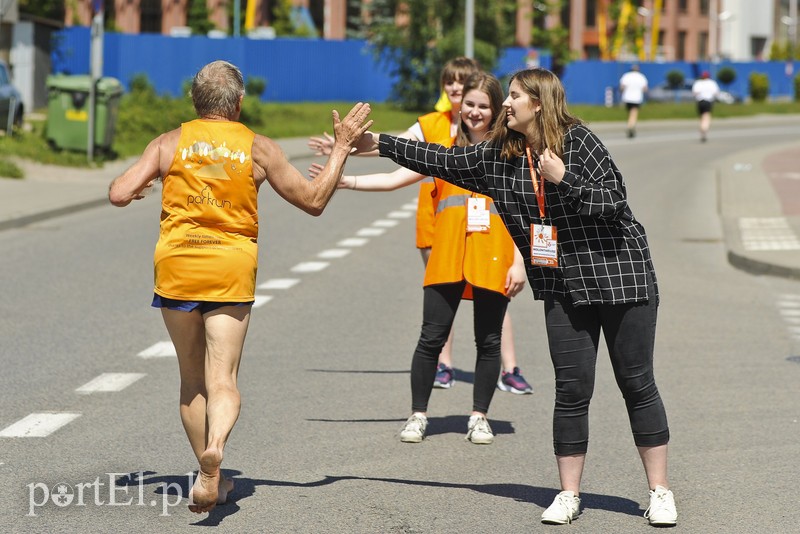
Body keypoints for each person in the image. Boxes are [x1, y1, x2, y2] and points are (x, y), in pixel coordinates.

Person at [357, 67, 677, 527]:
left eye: (513, 96)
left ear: (539, 103)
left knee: (636, 383)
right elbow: (440, 159)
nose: (505, 104)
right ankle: (568, 494)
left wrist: (563, 179)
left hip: (620, 278)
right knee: (571, 389)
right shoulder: (499, 156)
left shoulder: (579, 142)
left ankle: (660, 491)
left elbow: (614, 201)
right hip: (564, 285)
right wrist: (379, 143)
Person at [108, 60, 371, 514]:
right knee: (222, 378)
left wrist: (141, 186)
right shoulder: (258, 147)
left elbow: (117, 192)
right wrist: (342, 147)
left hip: (178, 266)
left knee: (192, 380)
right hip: (229, 269)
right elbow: (313, 200)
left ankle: (209, 472)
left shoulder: (168, 142)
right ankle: (215, 451)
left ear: (195, 101)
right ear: (239, 103)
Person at [312, 72, 530, 443]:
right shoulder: (445, 151)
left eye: (483, 106)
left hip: (493, 257)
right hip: (447, 256)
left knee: (489, 340)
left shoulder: (511, 153)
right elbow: (394, 178)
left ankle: (479, 417)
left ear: (496, 110)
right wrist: (346, 181)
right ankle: (418, 415)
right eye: (469, 104)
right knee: (431, 337)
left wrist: (519, 263)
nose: (474, 112)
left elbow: (527, 212)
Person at [309, 57, 483, 388]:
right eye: (449, 81)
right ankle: (444, 363)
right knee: (443, 299)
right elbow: (395, 148)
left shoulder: (491, 131)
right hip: (438, 221)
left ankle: (507, 366)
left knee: (490, 294)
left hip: (482, 228)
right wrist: (341, 148)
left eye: (462, 81)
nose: (455, 87)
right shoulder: (431, 124)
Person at [619, 64, 648, 138]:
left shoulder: (626, 76)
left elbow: (622, 87)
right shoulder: (641, 77)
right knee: (634, 113)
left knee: (630, 112)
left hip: (627, 97)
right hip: (636, 98)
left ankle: (630, 124)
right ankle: (631, 126)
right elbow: (645, 88)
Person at [692, 70, 721, 142]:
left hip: (700, 102)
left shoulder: (698, 83)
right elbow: (716, 93)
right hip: (708, 101)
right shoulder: (712, 83)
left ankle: (702, 129)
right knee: (706, 117)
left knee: (701, 117)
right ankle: (704, 129)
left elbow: (694, 93)